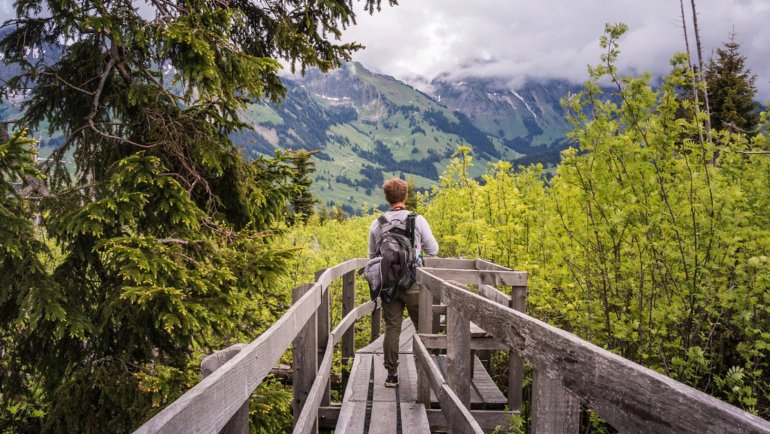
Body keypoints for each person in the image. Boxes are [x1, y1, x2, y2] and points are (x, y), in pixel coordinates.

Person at [369, 178, 438, 388]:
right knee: (422, 326)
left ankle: (391, 375)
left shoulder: (377, 223)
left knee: (392, 328)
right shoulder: (418, 220)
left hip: (388, 283)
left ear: (387, 198)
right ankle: (425, 372)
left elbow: (372, 256)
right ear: (405, 196)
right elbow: (433, 250)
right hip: (414, 281)